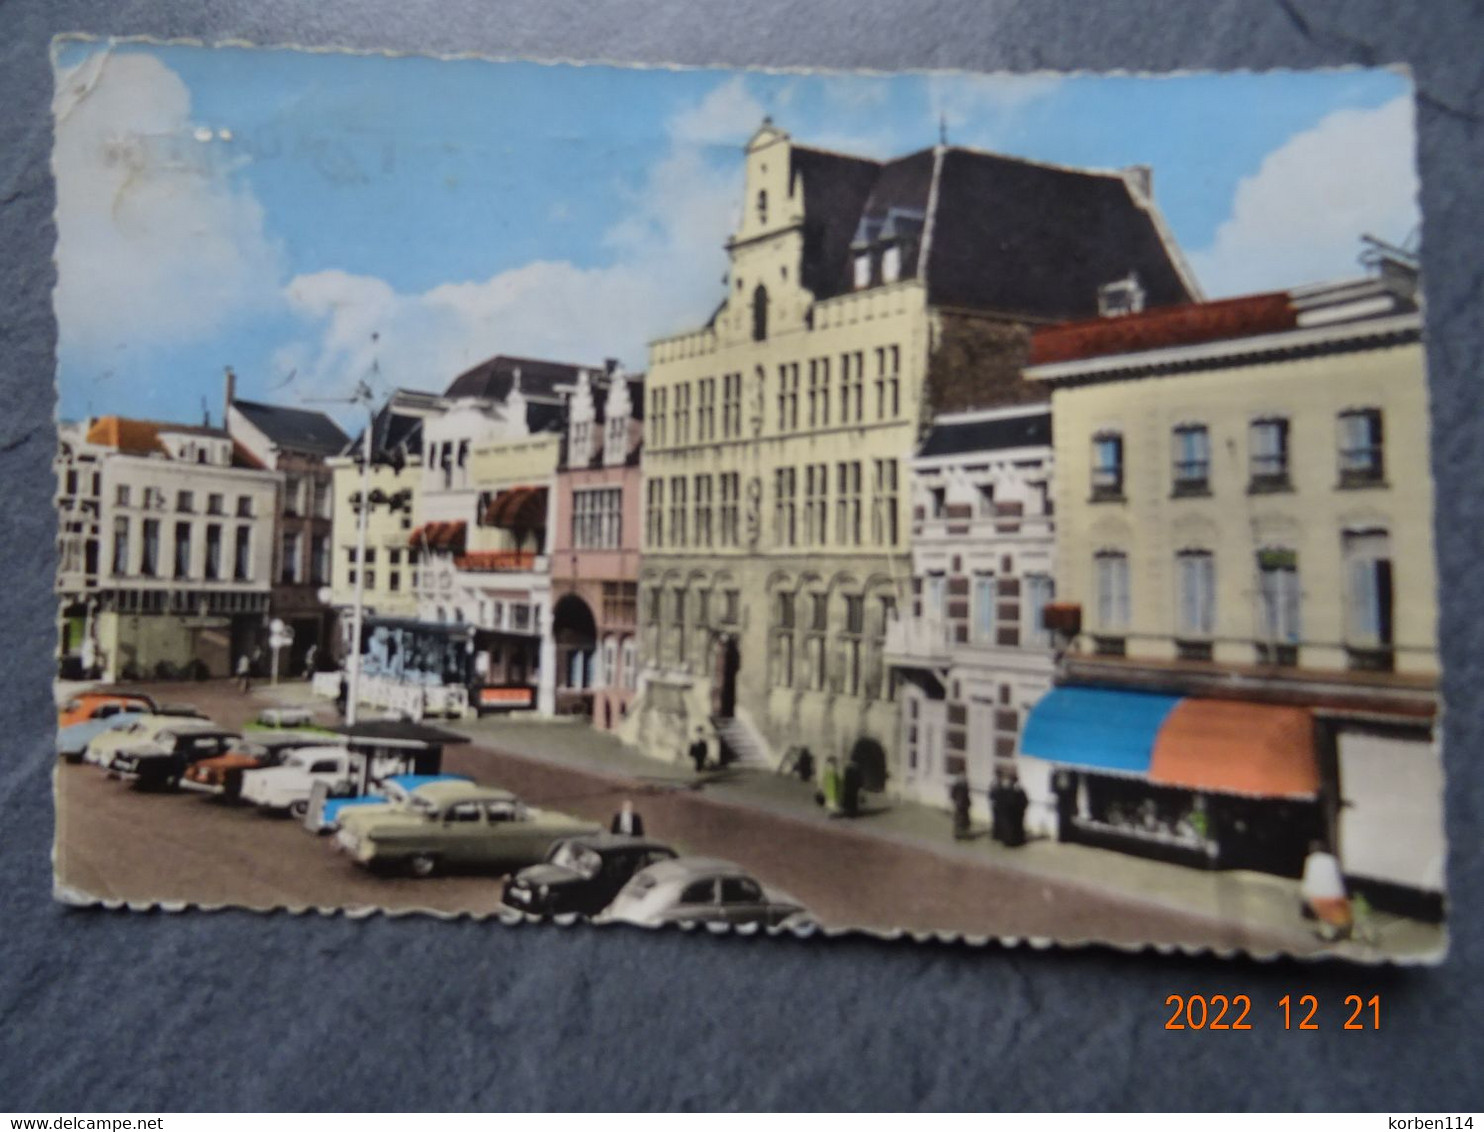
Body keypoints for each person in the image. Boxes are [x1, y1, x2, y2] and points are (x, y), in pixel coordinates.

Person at [1301, 840, 1352, 941]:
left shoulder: (1312, 860)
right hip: (1336, 895)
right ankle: (1339, 931)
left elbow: (1310, 879)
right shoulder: (1332, 860)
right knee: (1337, 914)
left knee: (1324, 914)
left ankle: (1329, 934)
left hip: (1320, 896)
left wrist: (1305, 894)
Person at [949, 772, 972, 840]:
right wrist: (956, 801)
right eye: (962, 778)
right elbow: (952, 794)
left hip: (965, 805)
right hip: (959, 805)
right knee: (958, 820)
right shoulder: (957, 785)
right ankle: (957, 835)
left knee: (965, 820)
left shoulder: (965, 785)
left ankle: (963, 833)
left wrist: (968, 803)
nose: (964, 779)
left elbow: (967, 795)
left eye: (964, 778)